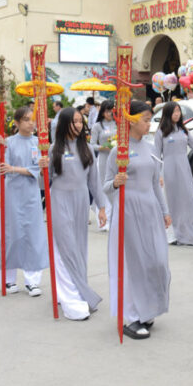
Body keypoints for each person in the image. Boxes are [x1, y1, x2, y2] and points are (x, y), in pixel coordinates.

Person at [104, 100, 172, 340]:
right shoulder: (118, 150)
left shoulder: (151, 147)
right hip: (128, 212)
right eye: (145, 120)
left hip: (150, 210)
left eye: (149, 120)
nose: (148, 124)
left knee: (156, 261)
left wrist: (164, 211)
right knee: (133, 264)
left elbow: (155, 182)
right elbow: (105, 185)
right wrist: (115, 183)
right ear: (131, 120)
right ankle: (132, 316)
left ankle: (148, 308)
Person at [50, 106, 107, 320]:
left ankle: (75, 289)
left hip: (81, 201)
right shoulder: (54, 148)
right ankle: (72, 300)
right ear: (65, 123)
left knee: (79, 246)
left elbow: (94, 182)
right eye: (74, 121)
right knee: (66, 249)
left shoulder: (88, 149)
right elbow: (43, 183)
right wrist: (42, 167)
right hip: (60, 200)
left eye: (80, 121)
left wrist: (101, 207)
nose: (78, 125)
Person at [0, 106, 50, 295]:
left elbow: (37, 169)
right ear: (17, 123)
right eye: (26, 119)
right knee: (13, 234)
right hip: (12, 194)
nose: (31, 123)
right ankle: (9, 279)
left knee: (33, 235)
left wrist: (15, 169)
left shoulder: (39, 143)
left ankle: (32, 280)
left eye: (32, 119)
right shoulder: (8, 142)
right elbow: (1, 167)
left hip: (32, 194)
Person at [155, 101, 193, 246]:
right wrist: (158, 175)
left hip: (184, 169)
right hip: (169, 170)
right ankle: (174, 234)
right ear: (168, 114)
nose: (177, 114)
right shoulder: (161, 132)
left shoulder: (184, 130)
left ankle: (191, 232)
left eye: (179, 111)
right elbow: (157, 155)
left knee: (189, 200)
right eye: (174, 111)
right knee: (173, 202)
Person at [89, 100, 116, 232]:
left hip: (116, 159)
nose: (110, 113)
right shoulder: (97, 126)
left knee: (115, 187)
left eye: (112, 110)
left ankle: (114, 219)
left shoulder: (118, 124)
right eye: (107, 110)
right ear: (103, 111)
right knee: (105, 187)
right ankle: (105, 218)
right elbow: (92, 144)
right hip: (104, 158)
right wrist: (102, 147)